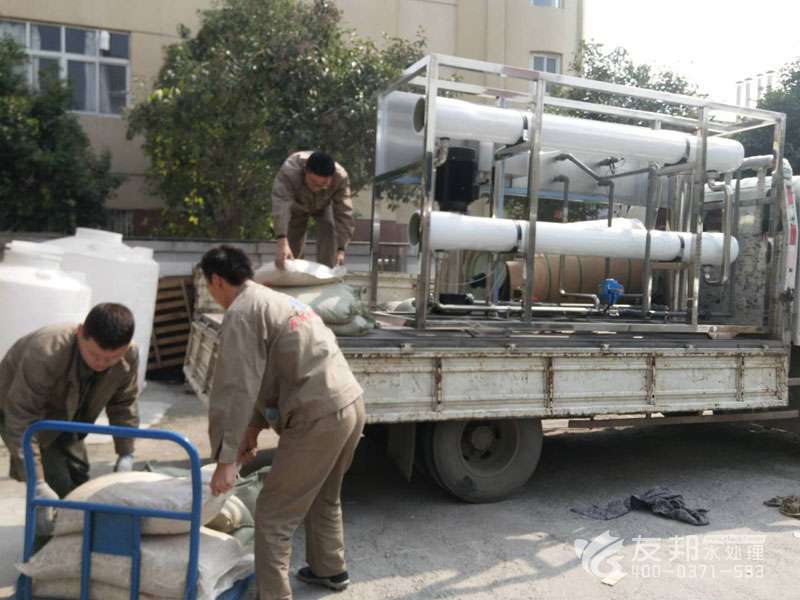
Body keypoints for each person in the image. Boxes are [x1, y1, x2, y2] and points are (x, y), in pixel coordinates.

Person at [201, 245, 365, 600]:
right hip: (350, 404)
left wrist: (225, 460)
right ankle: (330, 569)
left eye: (209, 288)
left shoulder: (241, 312)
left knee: (273, 513)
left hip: (317, 416)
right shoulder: (278, 301)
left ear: (216, 281)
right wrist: (251, 428)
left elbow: (235, 387)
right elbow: (271, 373)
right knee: (323, 494)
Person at [0, 303, 139, 532]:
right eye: (94, 354)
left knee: (79, 479)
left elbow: (123, 403)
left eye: (111, 358)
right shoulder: (45, 352)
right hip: (23, 412)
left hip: (71, 417)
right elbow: (21, 417)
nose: (100, 363)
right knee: (55, 486)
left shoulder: (129, 355)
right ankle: (45, 546)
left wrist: (126, 452)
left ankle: (77, 541)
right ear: (80, 332)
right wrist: (38, 482)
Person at [272, 150, 355, 269]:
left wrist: (341, 248)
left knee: (329, 226)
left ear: (332, 177)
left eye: (323, 184)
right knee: (291, 246)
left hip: (324, 205)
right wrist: (281, 240)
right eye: (313, 182)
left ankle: (327, 271)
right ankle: (293, 272)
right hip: (297, 205)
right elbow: (281, 203)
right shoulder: (290, 170)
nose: (317, 187)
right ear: (305, 170)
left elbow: (344, 212)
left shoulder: (341, 177)